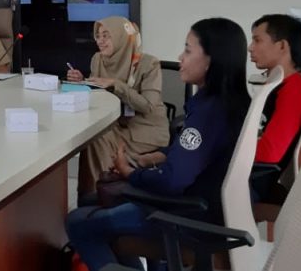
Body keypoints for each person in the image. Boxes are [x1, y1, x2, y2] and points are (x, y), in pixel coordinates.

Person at [66, 18, 252, 271]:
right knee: (94, 205)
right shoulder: (224, 102)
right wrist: (156, 157)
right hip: (204, 205)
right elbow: (195, 153)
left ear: (211, 60)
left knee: (78, 222)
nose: (180, 57)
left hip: (185, 215)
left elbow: (173, 180)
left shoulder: (208, 114)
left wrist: (131, 174)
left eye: (188, 50)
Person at [67, 16, 169, 197]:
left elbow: (148, 106)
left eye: (106, 35)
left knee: (99, 138)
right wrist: (83, 82)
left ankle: (102, 195)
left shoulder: (148, 64)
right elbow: (100, 93)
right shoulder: (98, 59)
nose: (100, 41)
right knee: (94, 136)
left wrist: (116, 84)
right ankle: (91, 195)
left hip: (143, 130)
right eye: (98, 36)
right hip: (115, 124)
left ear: (121, 36)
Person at [248, 14, 301, 200]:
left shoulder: (294, 90)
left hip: (250, 182)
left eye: (257, 40)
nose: (250, 47)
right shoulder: (279, 86)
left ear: (282, 46)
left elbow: (270, 154)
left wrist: (224, 147)